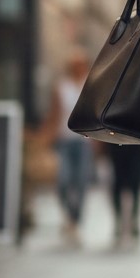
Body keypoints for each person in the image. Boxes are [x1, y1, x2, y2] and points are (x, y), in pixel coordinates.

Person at [44, 52, 92, 245]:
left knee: (80, 182)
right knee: (63, 180)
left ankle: (74, 221)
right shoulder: (61, 87)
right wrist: (45, 137)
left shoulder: (91, 86)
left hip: (83, 142)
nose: (78, 67)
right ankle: (68, 214)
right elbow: (53, 114)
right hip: (63, 140)